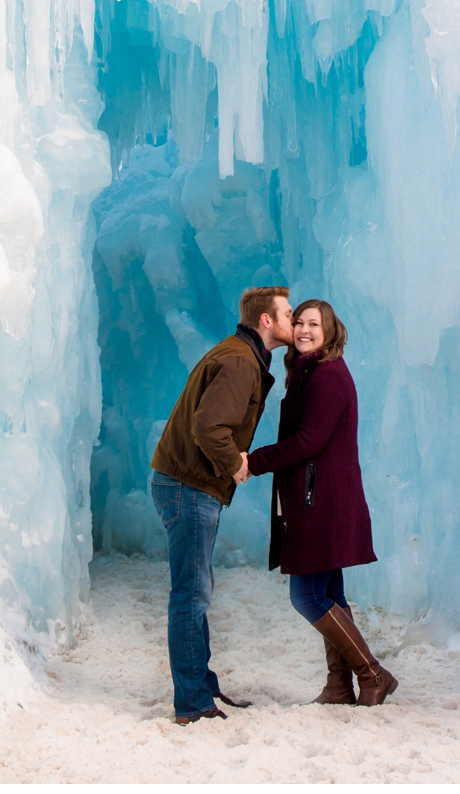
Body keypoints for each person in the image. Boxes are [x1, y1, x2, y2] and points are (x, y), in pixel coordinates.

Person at [146, 284, 292, 724]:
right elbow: (209, 427)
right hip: (188, 486)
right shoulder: (239, 361)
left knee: (196, 590)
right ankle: (192, 703)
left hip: (185, 483)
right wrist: (236, 466)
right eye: (287, 313)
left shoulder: (240, 354)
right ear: (265, 320)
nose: (293, 319)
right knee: (191, 594)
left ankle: (201, 686)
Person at [242, 298, 395, 705]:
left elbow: (308, 442)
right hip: (322, 498)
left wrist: (252, 463)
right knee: (330, 594)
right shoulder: (310, 372)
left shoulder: (327, 377)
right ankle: (339, 686)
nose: (305, 330)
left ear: (329, 331)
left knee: (307, 597)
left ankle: (373, 673)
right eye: (300, 322)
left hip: (323, 503)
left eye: (314, 324)